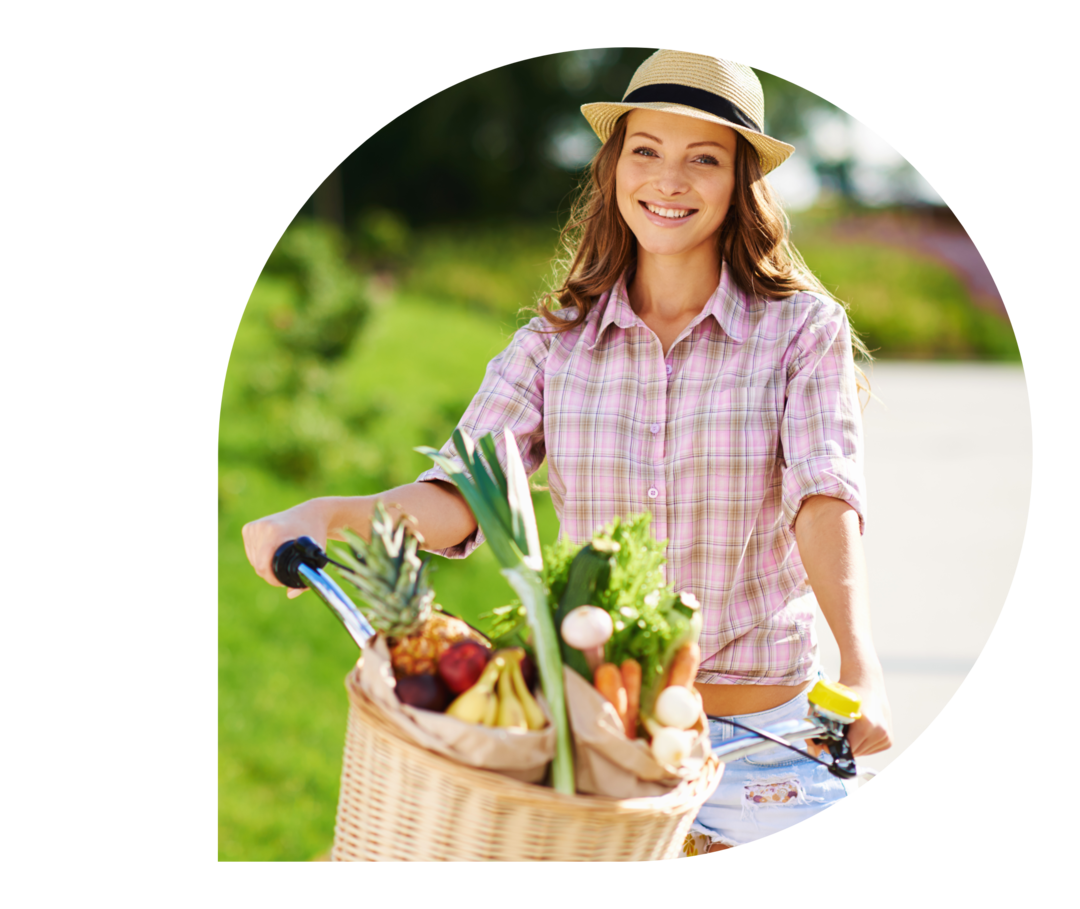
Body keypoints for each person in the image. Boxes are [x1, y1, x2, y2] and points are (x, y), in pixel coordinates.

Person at [242, 49, 892, 854]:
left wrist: (861, 666)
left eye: (704, 158)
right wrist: (329, 514)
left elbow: (823, 494)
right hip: (601, 742)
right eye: (646, 150)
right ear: (615, 166)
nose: (669, 179)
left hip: (764, 747)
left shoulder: (802, 330)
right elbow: (463, 493)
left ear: (741, 182)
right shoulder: (557, 339)